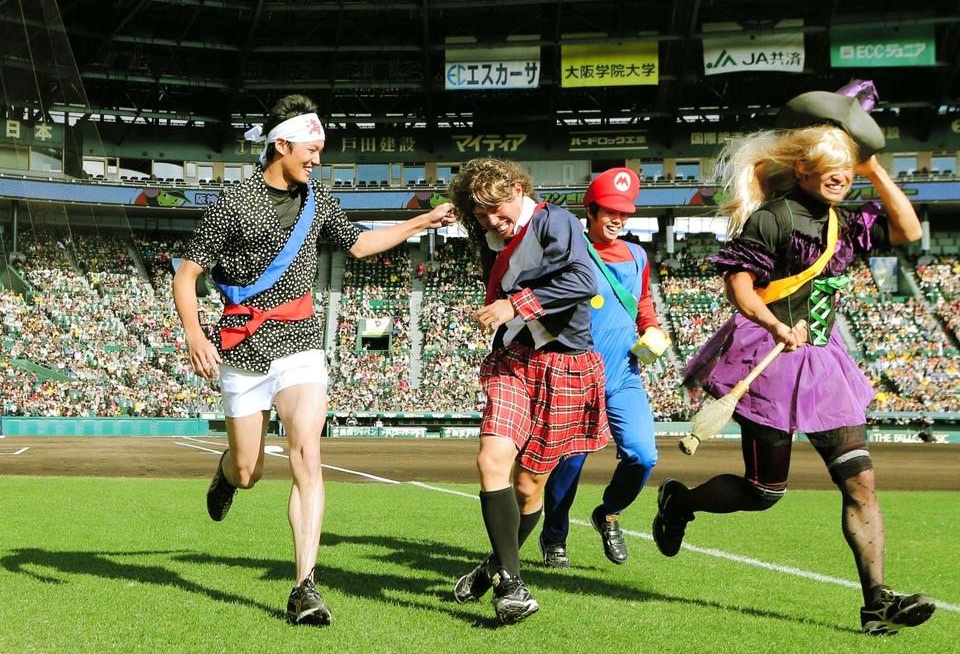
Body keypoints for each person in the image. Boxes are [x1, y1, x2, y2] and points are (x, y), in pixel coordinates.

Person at [653, 82, 936, 635]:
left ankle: (877, 601)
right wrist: (778, 325)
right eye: (830, 168)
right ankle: (680, 502)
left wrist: (874, 169)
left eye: (847, 169)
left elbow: (909, 229)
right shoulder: (773, 217)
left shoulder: (847, 223)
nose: (840, 177)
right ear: (801, 169)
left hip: (826, 364)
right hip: (771, 358)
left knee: (860, 483)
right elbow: (740, 289)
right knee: (764, 494)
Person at [172, 94, 455, 627]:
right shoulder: (232, 203)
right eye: (312, 149)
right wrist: (194, 333)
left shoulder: (317, 200)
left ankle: (304, 584)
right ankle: (226, 476)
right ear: (281, 145)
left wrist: (422, 222)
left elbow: (361, 244)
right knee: (251, 468)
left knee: (306, 453)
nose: (318, 160)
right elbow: (186, 276)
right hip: (242, 349)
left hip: (301, 343)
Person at [446, 158, 609, 625]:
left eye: (498, 209)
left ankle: (497, 565)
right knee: (490, 460)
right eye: (480, 216)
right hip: (514, 360)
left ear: (518, 188)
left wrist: (512, 303)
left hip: (566, 363)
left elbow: (583, 281)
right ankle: (513, 587)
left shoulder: (553, 220)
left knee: (527, 486)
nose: (492, 221)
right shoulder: (489, 237)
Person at [540, 168, 668, 568]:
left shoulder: (638, 255)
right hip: (578, 376)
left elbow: (643, 303)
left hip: (624, 376)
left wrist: (651, 330)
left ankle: (609, 512)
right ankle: (554, 538)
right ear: (590, 211)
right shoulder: (569, 251)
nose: (617, 220)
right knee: (569, 464)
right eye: (610, 212)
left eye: (624, 214)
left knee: (643, 456)